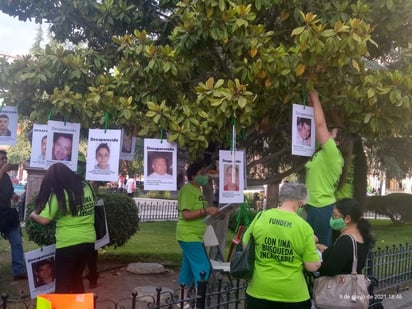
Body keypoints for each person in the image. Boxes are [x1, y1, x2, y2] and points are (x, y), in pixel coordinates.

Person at [243, 182, 321, 308]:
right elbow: (312, 266)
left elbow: (245, 245)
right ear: (300, 201)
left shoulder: (261, 216)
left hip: (259, 289)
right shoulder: (304, 227)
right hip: (292, 295)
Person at [29, 162, 96, 293]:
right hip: (88, 241)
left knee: (63, 284)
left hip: (67, 243)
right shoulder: (88, 187)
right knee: (77, 278)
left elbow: (44, 219)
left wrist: (32, 215)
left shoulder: (59, 194)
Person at [304, 90, 353, 247]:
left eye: (331, 133)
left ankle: (321, 271)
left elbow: (320, 125)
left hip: (319, 207)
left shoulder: (332, 153)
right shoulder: (326, 153)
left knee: (315, 248)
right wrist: (312, 105)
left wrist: (317, 98)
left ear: (337, 142)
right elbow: (318, 127)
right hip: (316, 206)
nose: (327, 134)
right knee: (315, 248)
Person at [176, 162, 220, 307]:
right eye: (202, 174)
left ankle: (182, 300)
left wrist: (216, 214)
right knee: (203, 266)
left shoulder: (197, 190)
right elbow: (186, 214)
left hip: (195, 236)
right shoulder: (188, 190)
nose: (205, 176)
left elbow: (199, 214)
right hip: (188, 236)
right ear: (193, 176)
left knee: (188, 267)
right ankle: (198, 301)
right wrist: (206, 211)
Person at [316, 198, 375, 276]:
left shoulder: (346, 240)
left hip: (339, 285)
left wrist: (313, 264)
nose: (332, 219)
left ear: (347, 219)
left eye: (335, 215)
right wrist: (327, 250)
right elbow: (345, 257)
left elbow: (330, 269)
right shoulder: (361, 235)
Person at [0, 150, 27, 280]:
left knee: (16, 240)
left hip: (5, 213)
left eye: (5, 159)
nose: (5, 161)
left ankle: (18, 270)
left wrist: (14, 196)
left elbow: (10, 192)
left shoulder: (5, 176)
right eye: (1, 159)